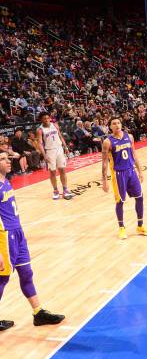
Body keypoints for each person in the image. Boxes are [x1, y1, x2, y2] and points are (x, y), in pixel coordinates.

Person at [0, 151, 65, 331]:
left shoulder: (6, 181)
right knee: (1, 280)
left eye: (8, 158)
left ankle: (38, 313)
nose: (8, 161)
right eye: (3, 159)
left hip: (18, 233)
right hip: (4, 237)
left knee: (27, 273)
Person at [101, 117, 147, 239]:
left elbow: (134, 154)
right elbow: (104, 163)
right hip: (119, 174)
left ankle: (140, 226)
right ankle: (122, 228)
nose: (117, 125)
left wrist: (139, 171)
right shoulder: (107, 142)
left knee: (140, 197)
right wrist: (104, 181)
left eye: (118, 122)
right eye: (114, 123)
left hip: (131, 171)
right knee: (120, 201)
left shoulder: (129, 137)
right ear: (110, 127)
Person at [35, 112, 74, 200]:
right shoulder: (40, 130)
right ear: (41, 120)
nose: (46, 120)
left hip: (59, 149)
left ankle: (65, 189)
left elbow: (60, 136)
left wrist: (66, 147)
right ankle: (55, 190)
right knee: (52, 172)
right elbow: (40, 144)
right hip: (49, 151)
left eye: (48, 118)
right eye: (44, 118)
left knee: (62, 170)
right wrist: (44, 155)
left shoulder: (55, 125)